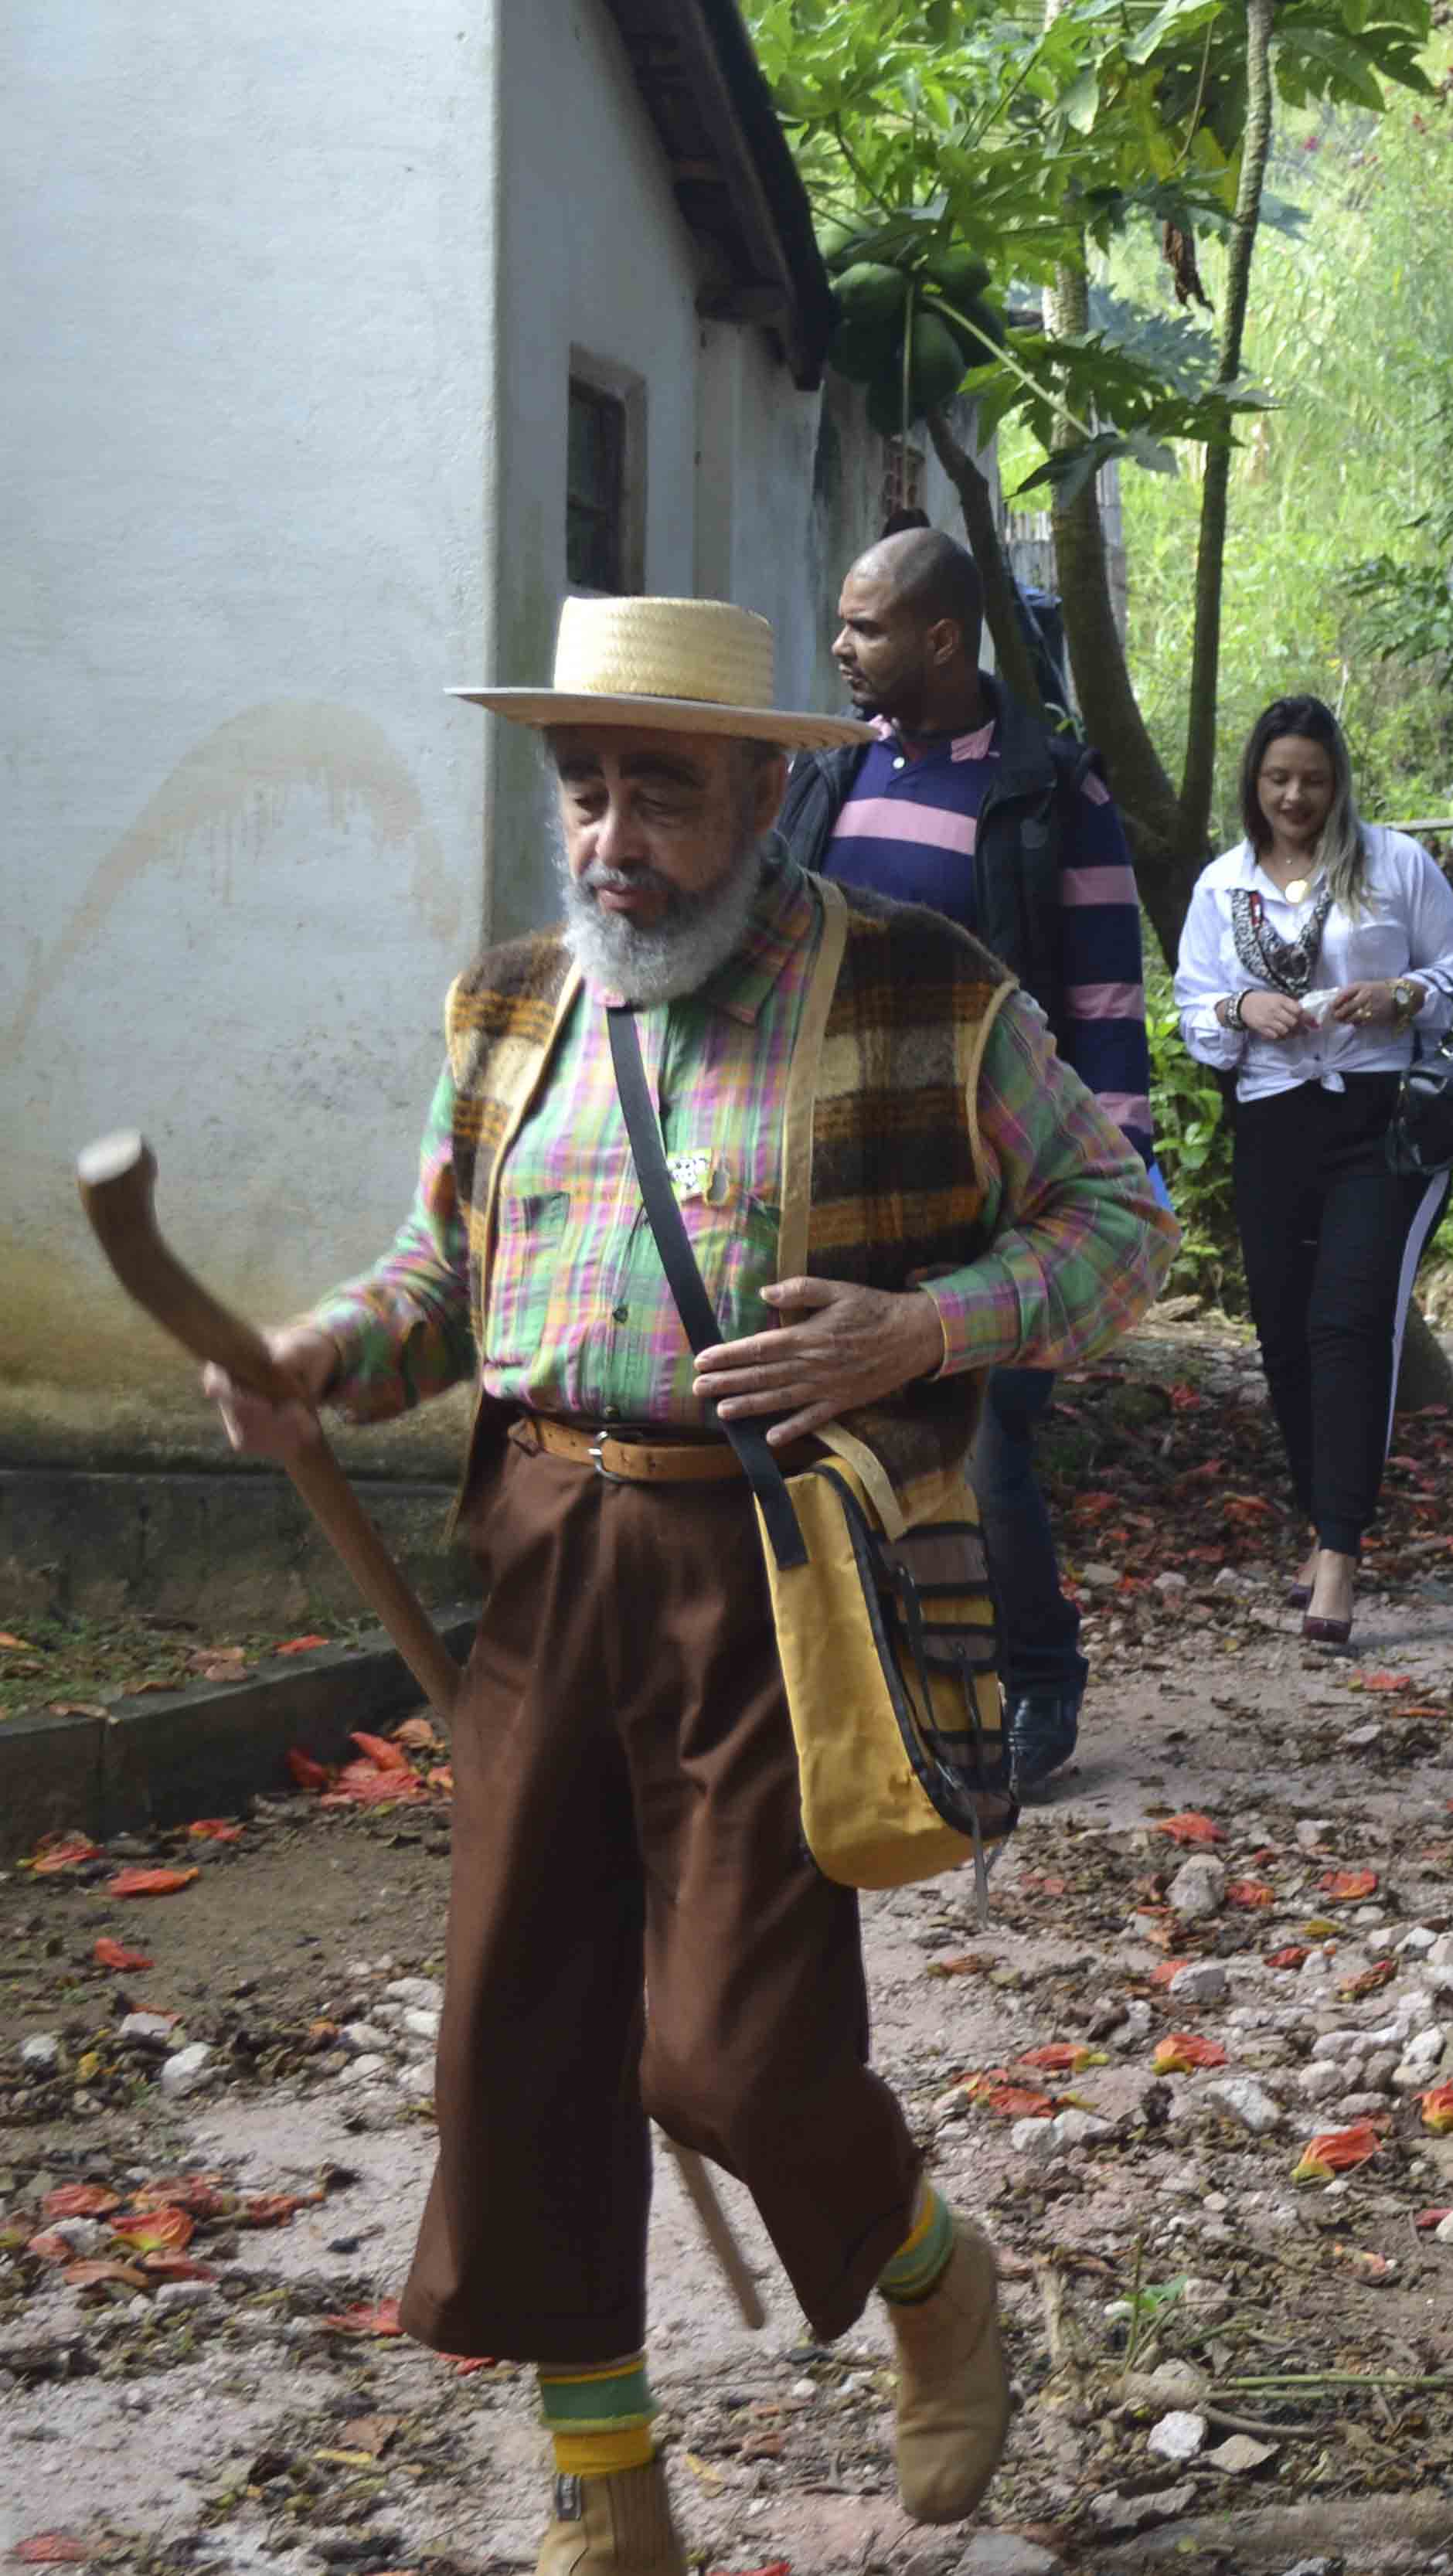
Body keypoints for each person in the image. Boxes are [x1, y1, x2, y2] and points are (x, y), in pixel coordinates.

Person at [199, 595, 1172, 2564]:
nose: (609, 837)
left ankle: (930, 2274)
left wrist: (917, 1331)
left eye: (658, 788)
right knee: (524, 2034)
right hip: (545, 1554)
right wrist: (315, 1359)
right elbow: (438, 1282)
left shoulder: (921, 993)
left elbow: (1126, 1229)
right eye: (583, 789)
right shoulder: (508, 1010)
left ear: (768, 787)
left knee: (728, 2051)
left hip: (780, 1575)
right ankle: (609, 2485)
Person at [778, 525, 1155, 1797]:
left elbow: (1104, 989)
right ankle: (899, 1695)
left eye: (865, 627)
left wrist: (1110, 1183)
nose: (841, 647)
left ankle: (1038, 1673)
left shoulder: (1053, 791)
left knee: (984, 1447)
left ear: (942, 637)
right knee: (851, 1439)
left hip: (997, 1177)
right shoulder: (829, 778)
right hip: (843, 1171)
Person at [1172, 696, 1453, 1652]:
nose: (1293, 796)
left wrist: (1402, 992)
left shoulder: (1392, 865)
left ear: (1337, 780)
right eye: (1275, 779)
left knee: (1348, 1321)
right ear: (1252, 785)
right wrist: (1240, 1010)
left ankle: (1341, 1550)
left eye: (1310, 778)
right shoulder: (1223, 884)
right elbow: (1191, 1004)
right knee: (1285, 1331)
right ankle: (1318, 1516)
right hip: (1270, 1123)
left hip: (1373, 1122)